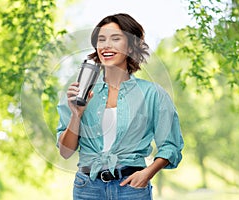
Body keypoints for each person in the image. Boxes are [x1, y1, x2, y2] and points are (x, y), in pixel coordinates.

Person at [56, 13, 184, 200]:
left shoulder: (152, 94)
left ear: (131, 46)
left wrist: (148, 173)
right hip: (87, 189)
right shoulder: (79, 93)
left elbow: (170, 146)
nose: (106, 45)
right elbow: (65, 152)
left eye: (115, 39)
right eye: (101, 39)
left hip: (131, 188)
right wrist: (76, 114)